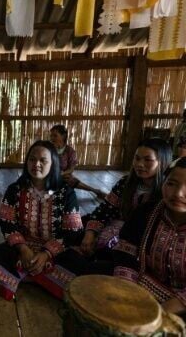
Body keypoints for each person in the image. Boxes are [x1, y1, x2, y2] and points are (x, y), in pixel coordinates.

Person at [0, 140, 83, 300]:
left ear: (53, 164)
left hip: (54, 251)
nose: (36, 164)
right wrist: (23, 249)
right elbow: (6, 223)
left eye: (43, 160)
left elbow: (72, 232)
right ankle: (44, 278)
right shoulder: (15, 189)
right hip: (22, 247)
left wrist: (47, 254)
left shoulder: (65, 193)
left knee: (78, 264)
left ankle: (27, 274)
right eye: (32, 159)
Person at [113, 156, 186, 315]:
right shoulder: (146, 212)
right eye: (172, 184)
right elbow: (126, 253)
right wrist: (126, 293)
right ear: (163, 183)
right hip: (141, 285)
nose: (178, 193)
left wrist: (164, 311)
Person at [79, 138, 172, 260]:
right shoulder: (125, 183)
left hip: (142, 240)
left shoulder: (167, 192)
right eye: (137, 158)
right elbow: (105, 209)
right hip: (115, 230)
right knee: (77, 232)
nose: (140, 164)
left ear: (163, 162)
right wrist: (90, 233)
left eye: (147, 160)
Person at [49, 124, 105, 198]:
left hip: (64, 175)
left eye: (55, 135)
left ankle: (94, 191)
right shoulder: (48, 149)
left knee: (69, 179)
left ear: (63, 136)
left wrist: (62, 173)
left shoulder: (70, 151)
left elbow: (71, 169)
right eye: (51, 135)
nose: (52, 138)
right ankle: (95, 191)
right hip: (49, 175)